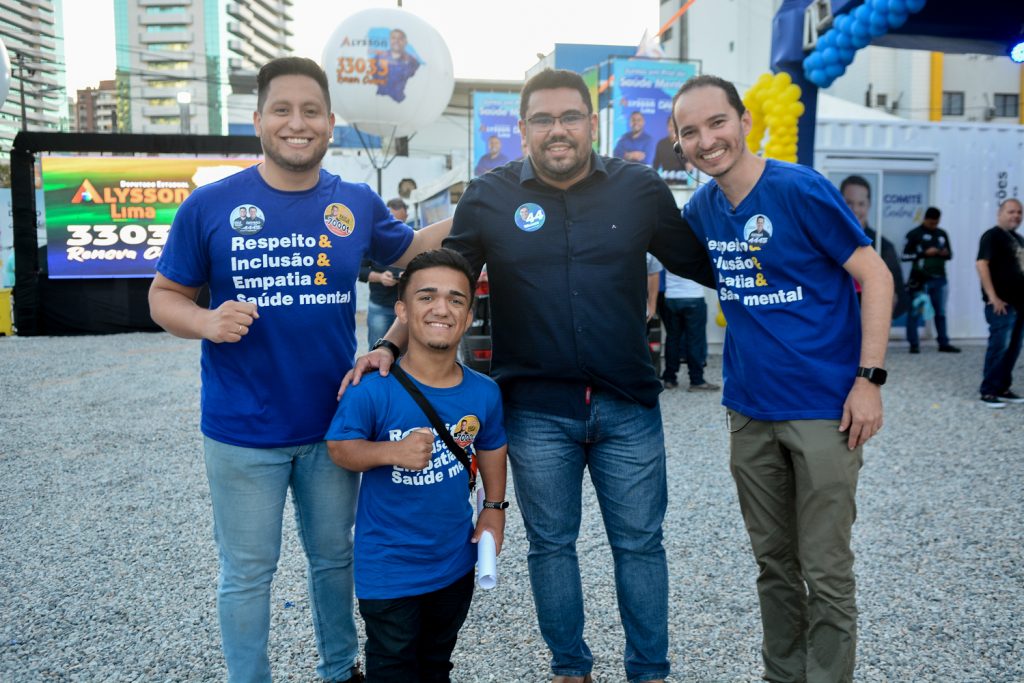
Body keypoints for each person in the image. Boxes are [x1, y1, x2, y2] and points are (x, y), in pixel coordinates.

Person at [345, 68, 715, 683]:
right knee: (551, 546)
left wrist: (791, 274)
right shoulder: (489, 196)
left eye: (570, 117)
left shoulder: (639, 187)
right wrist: (388, 340)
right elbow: (444, 279)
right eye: (542, 120)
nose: (557, 130)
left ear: (592, 124)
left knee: (641, 547)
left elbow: (704, 260)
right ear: (522, 130)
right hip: (538, 410)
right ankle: (571, 669)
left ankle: (650, 672)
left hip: (628, 404)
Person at [147, 56, 447, 683]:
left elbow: (414, 250)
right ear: (257, 119)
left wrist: (489, 206)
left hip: (331, 427)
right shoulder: (211, 205)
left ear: (331, 123)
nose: (296, 122)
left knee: (334, 558)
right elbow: (163, 297)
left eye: (311, 110)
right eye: (281, 109)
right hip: (240, 432)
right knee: (248, 572)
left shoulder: (356, 203)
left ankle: (339, 669)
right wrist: (205, 321)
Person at [672, 74, 893, 683]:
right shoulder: (704, 208)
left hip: (824, 410)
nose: (707, 140)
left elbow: (875, 276)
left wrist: (868, 379)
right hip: (749, 413)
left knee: (824, 569)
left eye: (717, 123)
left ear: (744, 121)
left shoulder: (798, 189)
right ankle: (783, 675)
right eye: (690, 132)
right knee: (773, 564)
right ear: (680, 145)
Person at [327, 248, 508, 682]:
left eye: (456, 300)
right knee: (392, 669)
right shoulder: (373, 390)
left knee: (435, 664)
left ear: (467, 317)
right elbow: (340, 447)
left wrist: (495, 510)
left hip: (454, 565)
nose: (441, 308)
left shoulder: (484, 392)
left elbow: (493, 446)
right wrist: (391, 452)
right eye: (426, 297)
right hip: (389, 570)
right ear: (403, 310)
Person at [975, 198, 1024, 408]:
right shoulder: (992, 236)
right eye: (1011, 211)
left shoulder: (1018, 239)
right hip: (1001, 305)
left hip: (1019, 304)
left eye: (1019, 212)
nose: (1016, 216)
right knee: (999, 346)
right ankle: (989, 391)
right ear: (1000, 213)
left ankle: (1003, 387)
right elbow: (981, 264)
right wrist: (992, 297)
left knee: (1013, 348)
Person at [839, 175, 909, 318]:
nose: (854, 209)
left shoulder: (884, 246)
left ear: (869, 204)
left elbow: (900, 296)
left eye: (861, 203)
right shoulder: (826, 241)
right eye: (849, 203)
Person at [903, 206, 960, 353]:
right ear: (925, 219)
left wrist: (943, 253)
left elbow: (950, 255)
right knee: (915, 312)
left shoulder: (942, 234)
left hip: (940, 279)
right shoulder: (914, 234)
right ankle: (914, 344)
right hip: (920, 281)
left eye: (936, 222)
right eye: (931, 223)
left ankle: (943, 343)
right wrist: (923, 253)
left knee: (940, 312)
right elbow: (904, 256)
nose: (934, 225)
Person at [359, 198, 407, 347]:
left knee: (407, 356)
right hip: (381, 307)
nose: (398, 228)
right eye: (394, 222)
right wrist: (380, 277)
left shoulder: (413, 239)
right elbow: (359, 271)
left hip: (407, 308)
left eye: (401, 222)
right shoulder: (371, 240)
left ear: (406, 216)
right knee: (376, 350)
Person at [660, 270, 717, 392]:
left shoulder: (666, 250)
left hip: (671, 297)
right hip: (694, 296)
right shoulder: (697, 250)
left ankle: (669, 378)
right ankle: (696, 380)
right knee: (695, 341)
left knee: (672, 340)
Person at [374, 28, 420, 103]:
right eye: (393, 38)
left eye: (400, 38)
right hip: (379, 98)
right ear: (389, 40)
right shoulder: (379, 57)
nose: (396, 41)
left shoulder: (412, 61)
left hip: (400, 101)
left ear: (405, 42)